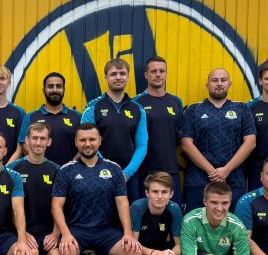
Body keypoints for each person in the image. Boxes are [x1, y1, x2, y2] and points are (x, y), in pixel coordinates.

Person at [52, 123, 148, 255]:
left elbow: (122, 203)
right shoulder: (66, 170)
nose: (87, 144)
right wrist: (65, 235)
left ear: (99, 141)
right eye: (83, 140)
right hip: (77, 230)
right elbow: (56, 206)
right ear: (76, 142)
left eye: (92, 139)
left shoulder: (113, 169)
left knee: (134, 251)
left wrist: (128, 233)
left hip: (105, 231)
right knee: (67, 251)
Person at [181, 68, 256, 212]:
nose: (219, 83)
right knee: (196, 222)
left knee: (233, 223)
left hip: (234, 180)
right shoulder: (193, 110)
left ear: (230, 84)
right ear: (207, 85)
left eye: (223, 80)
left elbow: (250, 142)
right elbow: (186, 144)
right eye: (215, 80)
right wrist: (213, 172)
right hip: (198, 181)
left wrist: (226, 170)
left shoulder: (242, 109)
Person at [9, 122, 61, 255]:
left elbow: (60, 207)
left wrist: (55, 233)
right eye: (34, 138)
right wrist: (22, 234)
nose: (38, 143)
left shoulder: (56, 170)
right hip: (24, 233)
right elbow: (12, 209)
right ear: (27, 140)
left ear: (49, 142)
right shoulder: (14, 169)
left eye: (42, 139)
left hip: (48, 232)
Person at [81, 58, 147, 200]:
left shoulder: (138, 109)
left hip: (129, 177)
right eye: (113, 74)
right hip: (98, 174)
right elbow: (86, 143)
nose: (118, 77)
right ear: (106, 77)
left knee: (129, 213)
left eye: (122, 73)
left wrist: (126, 173)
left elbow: (142, 145)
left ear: (128, 77)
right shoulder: (92, 107)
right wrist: (108, 169)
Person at [132, 56, 184, 206]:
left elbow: (179, 135)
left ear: (166, 74)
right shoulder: (136, 103)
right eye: (153, 71)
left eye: (162, 71)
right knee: (143, 213)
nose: (158, 74)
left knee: (172, 213)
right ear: (146, 75)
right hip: (144, 169)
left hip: (171, 169)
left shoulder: (176, 101)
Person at [18, 73, 82, 166]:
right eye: (50, 86)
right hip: (39, 170)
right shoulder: (31, 117)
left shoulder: (77, 116)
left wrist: (70, 166)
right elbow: (24, 145)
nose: (55, 90)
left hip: (70, 172)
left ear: (64, 89)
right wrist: (46, 166)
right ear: (44, 90)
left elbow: (84, 144)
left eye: (58, 86)